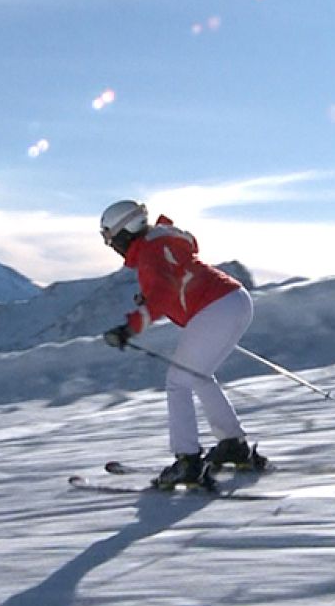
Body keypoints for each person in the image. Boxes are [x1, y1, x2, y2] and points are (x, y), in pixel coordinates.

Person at [97, 200, 265, 489]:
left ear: (125, 232)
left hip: (216, 307)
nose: (112, 246)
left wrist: (130, 327)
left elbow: (164, 291)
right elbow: (175, 284)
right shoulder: (159, 242)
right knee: (198, 376)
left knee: (178, 381)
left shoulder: (149, 252)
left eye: (111, 239)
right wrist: (149, 301)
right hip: (233, 300)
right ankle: (232, 444)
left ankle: (187, 461)